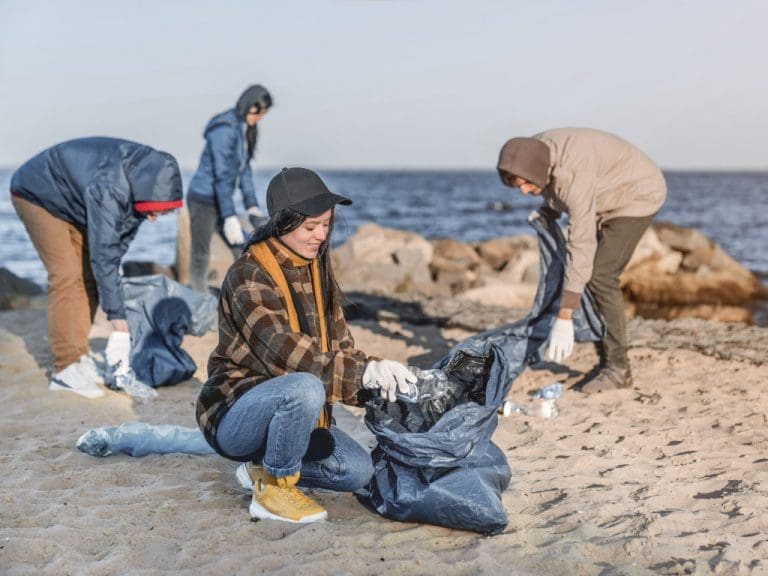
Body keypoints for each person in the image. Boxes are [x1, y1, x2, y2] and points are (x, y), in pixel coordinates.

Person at [196, 167, 416, 524]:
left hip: (292, 413)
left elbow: (342, 349)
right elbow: (286, 352)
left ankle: (259, 469)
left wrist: (381, 376)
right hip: (236, 411)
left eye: (326, 225)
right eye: (310, 227)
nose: (321, 235)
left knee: (357, 472)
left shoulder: (318, 271)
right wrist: (363, 375)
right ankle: (274, 491)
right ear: (284, 222)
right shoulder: (248, 274)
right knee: (304, 385)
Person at [10, 136, 184, 398]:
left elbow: (113, 251)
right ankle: (65, 369)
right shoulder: (110, 187)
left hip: (74, 202)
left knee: (90, 275)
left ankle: (79, 357)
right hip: (36, 193)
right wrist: (119, 323)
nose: (153, 218)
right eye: (152, 211)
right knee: (66, 275)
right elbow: (104, 254)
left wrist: (113, 281)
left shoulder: (143, 182)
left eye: (161, 212)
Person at [496, 127, 667, 393]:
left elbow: (581, 241)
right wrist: (548, 210)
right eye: (519, 186)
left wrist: (565, 316)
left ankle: (617, 369)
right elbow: (556, 190)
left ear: (536, 171)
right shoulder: (534, 152)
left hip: (637, 194)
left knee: (600, 275)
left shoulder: (572, 176)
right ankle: (606, 362)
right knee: (586, 275)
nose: (525, 192)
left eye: (527, 184)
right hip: (602, 190)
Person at [187, 84, 273, 292]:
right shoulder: (224, 130)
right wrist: (229, 216)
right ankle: (198, 303)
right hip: (203, 200)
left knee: (241, 245)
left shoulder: (246, 130)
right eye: (259, 112)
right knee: (201, 253)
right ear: (248, 106)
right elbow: (222, 177)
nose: (261, 117)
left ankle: (246, 295)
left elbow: (244, 172)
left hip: (220, 199)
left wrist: (252, 206)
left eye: (264, 114)